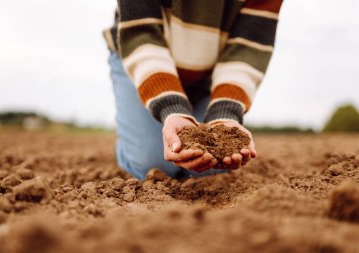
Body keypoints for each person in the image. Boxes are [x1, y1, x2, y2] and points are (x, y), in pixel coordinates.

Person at [104, 0, 283, 179]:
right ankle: (130, 143)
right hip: (140, 58)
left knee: (214, 164)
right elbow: (140, 33)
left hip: (208, 72)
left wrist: (224, 114)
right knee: (152, 165)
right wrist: (173, 109)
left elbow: (248, 49)